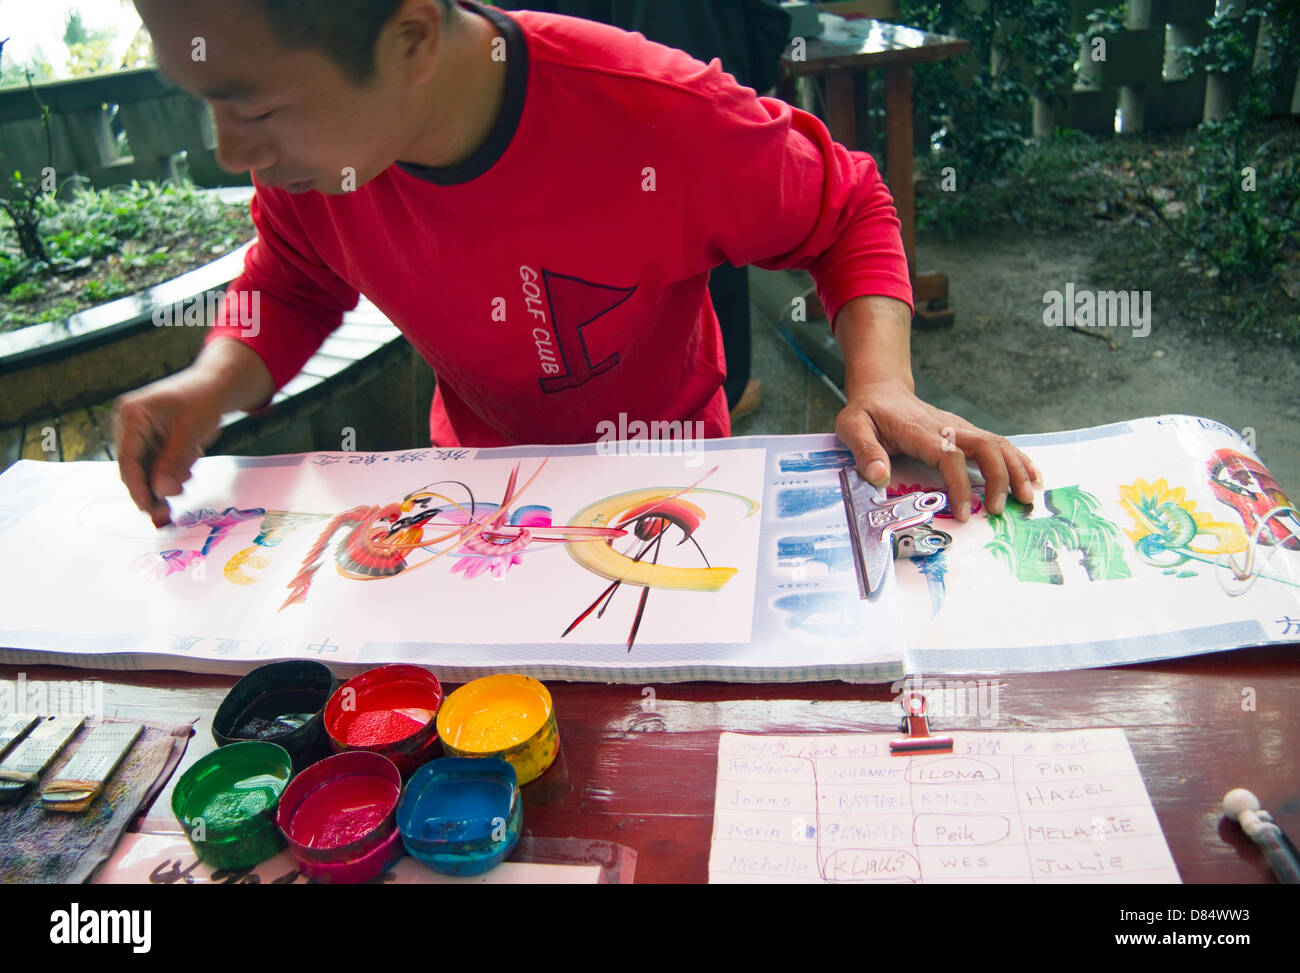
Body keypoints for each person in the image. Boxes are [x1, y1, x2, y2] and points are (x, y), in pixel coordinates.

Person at [115, 0, 1039, 533]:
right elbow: (293, 280)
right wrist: (211, 383)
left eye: (256, 108)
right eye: (204, 106)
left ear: (409, 42)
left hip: (676, 486)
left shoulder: (651, 114)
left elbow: (846, 207)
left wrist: (883, 381)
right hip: (479, 504)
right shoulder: (318, 167)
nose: (230, 152)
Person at [495, 0, 793, 421]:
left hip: (568, 99)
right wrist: (752, 81)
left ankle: (610, 408)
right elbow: (763, 17)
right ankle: (720, 388)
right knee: (703, 238)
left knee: (584, 266)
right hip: (690, 76)